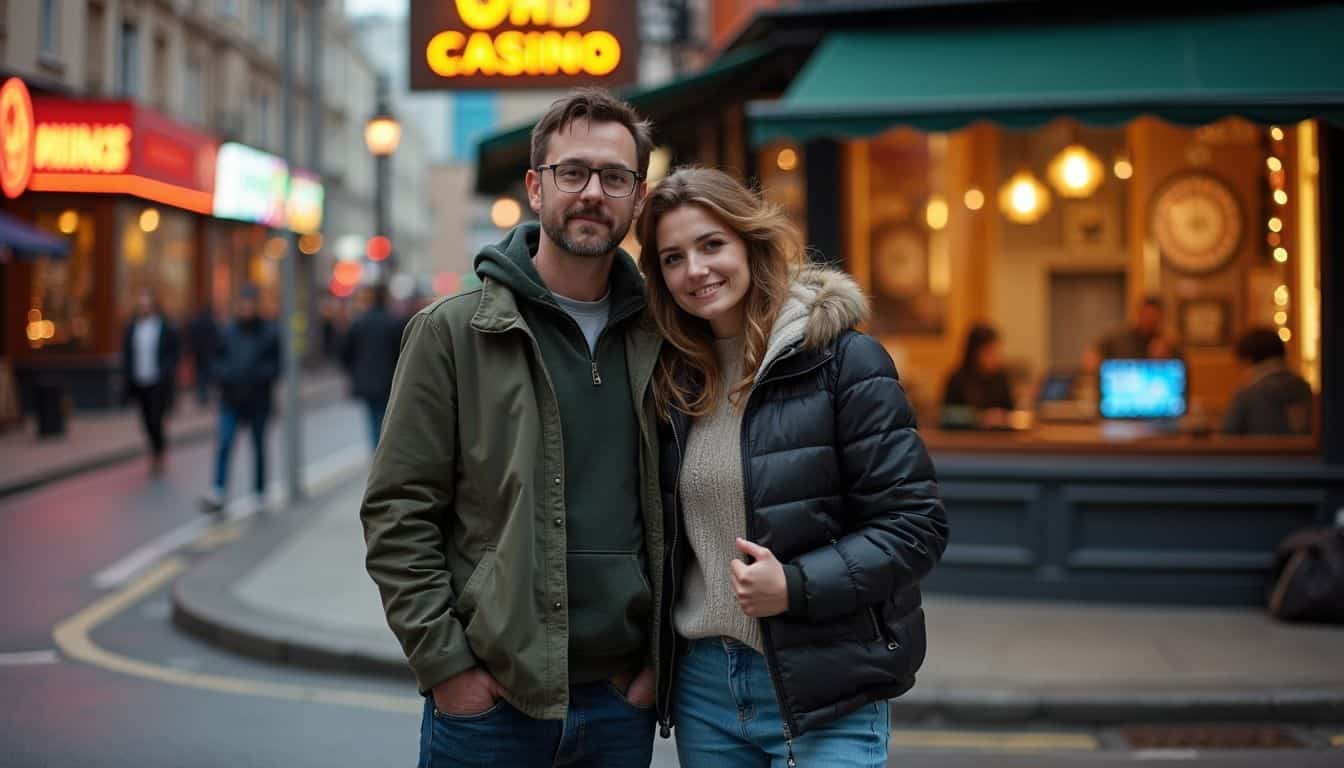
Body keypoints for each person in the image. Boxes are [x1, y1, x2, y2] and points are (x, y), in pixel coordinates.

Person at [360, 89, 664, 768]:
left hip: (618, 703)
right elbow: (397, 509)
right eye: (573, 172)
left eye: (615, 177)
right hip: (491, 708)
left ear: (638, 198)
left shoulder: (661, 335)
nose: (593, 192)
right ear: (535, 186)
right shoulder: (454, 330)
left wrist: (651, 668)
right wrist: (447, 667)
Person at [635, 167, 948, 767]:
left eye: (711, 245)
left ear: (750, 243)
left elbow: (916, 527)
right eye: (672, 258)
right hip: (706, 689)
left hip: (824, 687)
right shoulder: (672, 382)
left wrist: (796, 586)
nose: (695, 270)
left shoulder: (844, 362)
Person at [201, 285, 281, 514]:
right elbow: (215, 361)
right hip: (231, 399)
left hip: (258, 399)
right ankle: (218, 490)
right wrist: (226, 375)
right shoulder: (227, 332)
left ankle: (259, 491)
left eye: (250, 304)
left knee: (258, 446)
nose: (246, 308)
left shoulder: (269, 332)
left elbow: (275, 366)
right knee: (225, 443)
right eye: (243, 304)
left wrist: (256, 375)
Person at [121, 287, 181, 473]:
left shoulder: (164, 326)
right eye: (141, 305)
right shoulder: (132, 328)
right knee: (145, 420)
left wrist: (167, 370)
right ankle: (155, 448)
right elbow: (127, 354)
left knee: (156, 418)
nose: (144, 308)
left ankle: (159, 452)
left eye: (148, 305)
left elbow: (175, 351)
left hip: (158, 382)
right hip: (140, 380)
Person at [340, 284, 406, 448]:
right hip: (389, 381)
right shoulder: (393, 323)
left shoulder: (360, 322)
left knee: (374, 419)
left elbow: (344, 351)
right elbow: (402, 353)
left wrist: (353, 371)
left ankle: (378, 454)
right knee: (386, 420)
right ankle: (382, 456)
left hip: (367, 381)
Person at [1222, 327, 1313, 435]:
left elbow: (1228, 433)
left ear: (1248, 360)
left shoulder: (1247, 395)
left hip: (1259, 451)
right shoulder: (1304, 387)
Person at [942, 323, 1015, 428]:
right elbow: (946, 415)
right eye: (989, 352)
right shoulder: (958, 378)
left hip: (998, 438)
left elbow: (1010, 412)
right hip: (965, 439)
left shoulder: (1001, 378)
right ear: (974, 353)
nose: (995, 357)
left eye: (997, 351)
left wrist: (1001, 416)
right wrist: (979, 417)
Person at [1090, 296, 1182, 364]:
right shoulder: (1118, 338)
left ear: (1161, 317)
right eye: (1146, 315)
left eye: (1153, 316)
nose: (1149, 320)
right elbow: (1093, 354)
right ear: (1139, 313)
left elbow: (1178, 374)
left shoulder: (1168, 343)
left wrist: (1166, 356)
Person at [186, 303, 219, 406]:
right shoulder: (211, 322)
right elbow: (214, 337)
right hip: (207, 352)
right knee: (206, 374)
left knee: (201, 374)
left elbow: (191, 336)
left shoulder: (196, 322)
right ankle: (205, 394)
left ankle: (202, 394)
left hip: (199, 352)